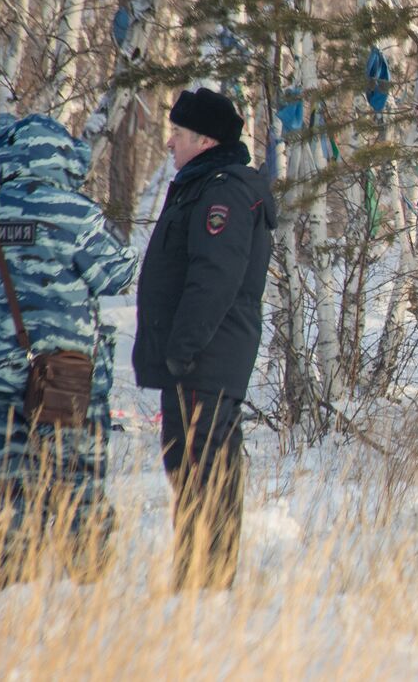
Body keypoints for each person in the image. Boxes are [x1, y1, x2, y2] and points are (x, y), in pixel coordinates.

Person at [0, 114, 137, 590]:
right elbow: (118, 274)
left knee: (8, 498)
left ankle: (8, 600)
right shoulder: (74, 211)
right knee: (80, 492)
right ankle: (86, 593)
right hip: (67, 385)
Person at [133, 87, 276, 590]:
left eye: (177, 134)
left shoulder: (222, 191)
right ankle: (197, 577)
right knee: (189, 467)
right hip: (196, 360)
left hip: (203, 359)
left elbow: (215, 275)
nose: (170, 144)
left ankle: (205, 583)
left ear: (205, 139)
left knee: (203, 469)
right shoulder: (202, 184)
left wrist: (183, 348)